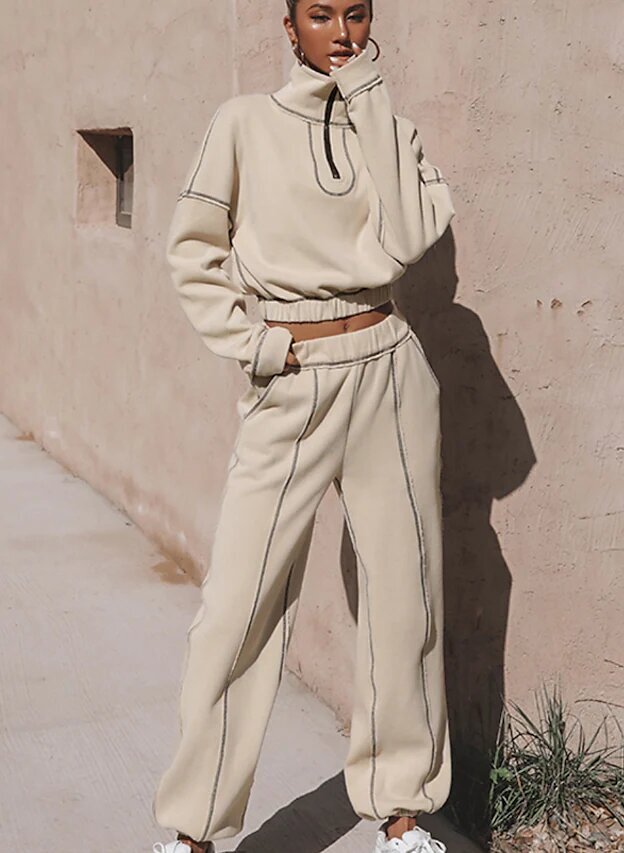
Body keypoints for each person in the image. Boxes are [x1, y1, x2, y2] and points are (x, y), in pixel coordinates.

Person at [151, 1, 455, 851]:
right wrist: (253, 344)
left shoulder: (389, 127)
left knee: (405, 599)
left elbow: (407, 241)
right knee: (236, 606)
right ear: (290, 29)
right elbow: (192, 248)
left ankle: (402, 811)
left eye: (356, 14)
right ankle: (193, 830)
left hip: (390, 370)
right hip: (292, 378)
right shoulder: (242, 123)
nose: (342, 33)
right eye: (320, 16)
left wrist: (370, 101)